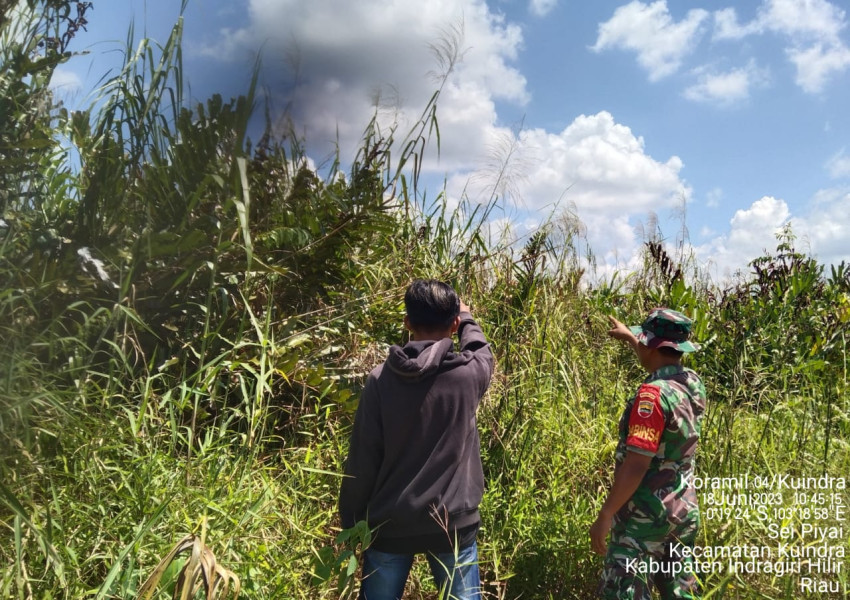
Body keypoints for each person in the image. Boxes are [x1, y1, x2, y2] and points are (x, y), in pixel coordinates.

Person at [339, 279, 494, 600]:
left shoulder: (380, 379)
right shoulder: (468, 374)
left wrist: (351, 522)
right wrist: (467, 317)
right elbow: (481, 350)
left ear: (407, 323)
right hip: (453, 524)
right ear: (453, 324)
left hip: (389, 524)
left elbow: (363, 459)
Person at [590, 308, 707, 600]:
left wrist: (606, 515)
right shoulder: (692, 383)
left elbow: (636, 465)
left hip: (644, 518)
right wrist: (633, 339)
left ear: (651, 345)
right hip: (682, 511)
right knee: (679, 591)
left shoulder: (651, 398)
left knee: (624, 592)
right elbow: (659, 362)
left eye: (643, 341)